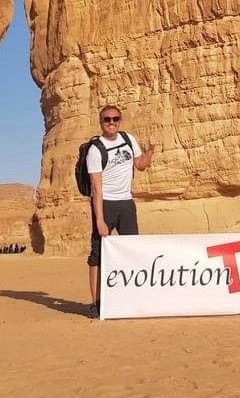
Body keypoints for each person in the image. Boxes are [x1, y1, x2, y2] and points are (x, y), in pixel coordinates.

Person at [86, 105, 156, 319]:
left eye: (115, 119)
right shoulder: (95, 150)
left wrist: (151, 150)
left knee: (132, 250)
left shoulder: (128, 139)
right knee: (98, 255)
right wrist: (100, 219)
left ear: (120, 120)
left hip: (126, 203)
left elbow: (141, 165)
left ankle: (131, 297)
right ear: (101, 122)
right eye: (107, 119)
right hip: (106, 203)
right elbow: (96, 188)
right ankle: (95, 303)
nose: (111, 123)